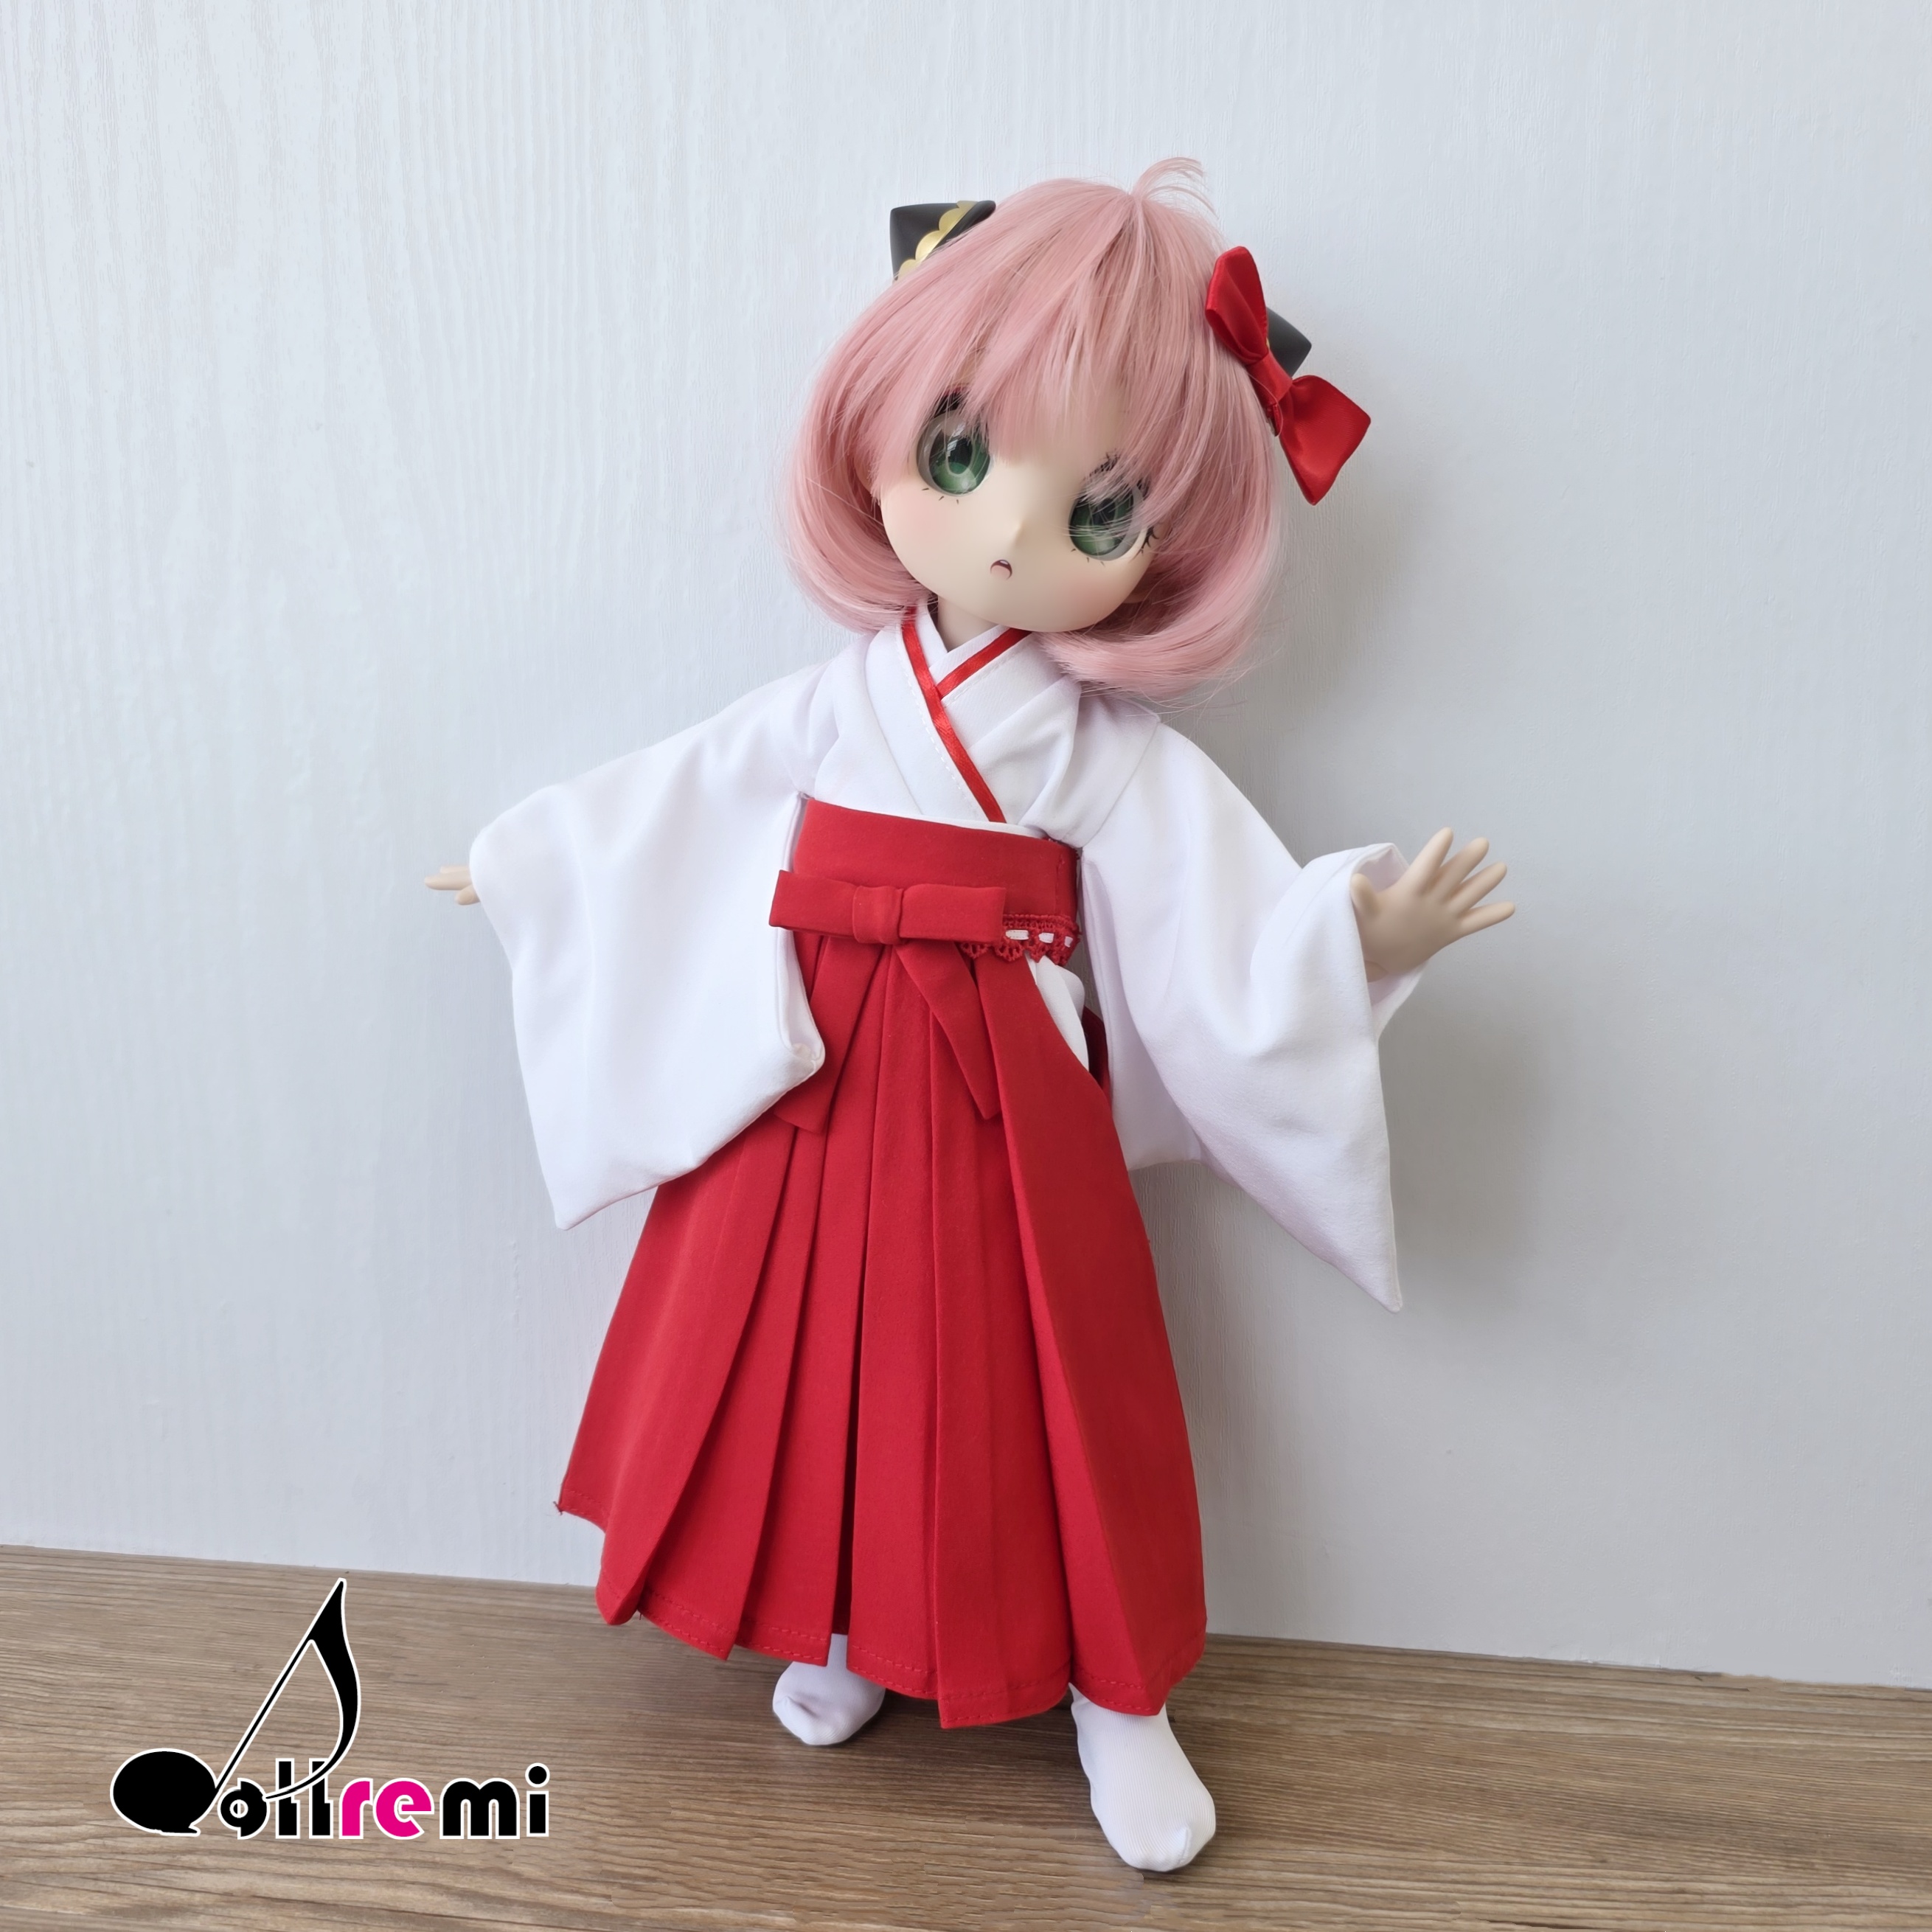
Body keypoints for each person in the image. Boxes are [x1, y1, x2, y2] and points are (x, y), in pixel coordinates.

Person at [429, 161, 1512, 1873]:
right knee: (808, 1362)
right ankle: (849, 1622)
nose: (1007, 524)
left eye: (1099, 507)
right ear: (879, 442)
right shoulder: (837, 699)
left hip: (1003, 1075)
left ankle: (1116, 1695)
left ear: (1163, 546)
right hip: (811, 1071)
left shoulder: (1094, 748)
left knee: (1043, 1378)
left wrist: (1349, 933)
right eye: (959, 454)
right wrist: (535, 866)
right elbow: (680, 801)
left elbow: (1214, 905)